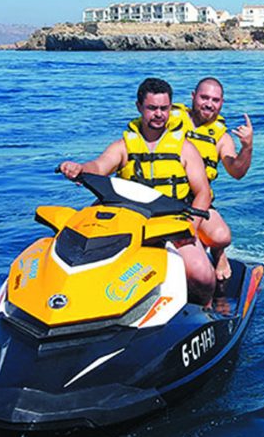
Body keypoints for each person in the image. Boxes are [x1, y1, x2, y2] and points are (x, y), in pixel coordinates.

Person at [58, 78, 218, 306]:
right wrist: (81, 169)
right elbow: (100, 167)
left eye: (164, 108)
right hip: (130, 221)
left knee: (202, 276)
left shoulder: (185, 148)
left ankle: (205, 310)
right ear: (139, 107)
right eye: (152, 108)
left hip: (173, 222)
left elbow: (203, 192)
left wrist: (191, 226)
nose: (159, 114)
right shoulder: (123, 146)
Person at [177, 77, 253, 282]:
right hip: (165, 194)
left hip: (197, 202)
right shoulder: (170, 121)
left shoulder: (221, 138)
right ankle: (212, 252)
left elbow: (237, 172)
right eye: (204, 97)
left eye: (215, 100)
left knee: (221, 236)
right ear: (193, 97)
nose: (209, 104)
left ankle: (217, 251)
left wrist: (247, 147)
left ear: (222, 103)